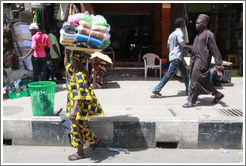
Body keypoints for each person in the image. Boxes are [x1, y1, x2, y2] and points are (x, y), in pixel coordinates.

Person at [64, 49, 104, 160]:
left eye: (74, 60)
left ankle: (80, 153)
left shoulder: (80, 75)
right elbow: (66, 65)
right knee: (83, 127)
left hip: (78, 108)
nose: (72, 62)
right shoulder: (75, 71)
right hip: (78, 108)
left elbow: (80, 93)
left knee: (76, 129)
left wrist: (74, 110)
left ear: (79, 62)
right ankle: (95, 140)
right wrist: (67, 53)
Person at [183, 14, 224, 108]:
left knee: (195, 80)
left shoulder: (209, 35)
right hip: (195, 60)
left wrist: (219, 63)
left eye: (198, 23)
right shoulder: (198, 35)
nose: (196, 24)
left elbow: (214, 49)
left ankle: (191, 100)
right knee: (203, 81)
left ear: (204, 23)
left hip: (202, 61)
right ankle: (217, 94)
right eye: (196, 23)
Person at [151, 18, 192, 98]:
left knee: (185, 74)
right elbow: (182, 45)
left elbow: (168, 46)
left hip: (174, 56)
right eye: (184, 23)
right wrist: (193, 47)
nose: (184, 25)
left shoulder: (172, 34)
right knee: (169, 74)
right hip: (177, 57)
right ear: (181, 24)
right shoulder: (179, 33)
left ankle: (189, 90)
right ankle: (156, 90)